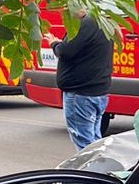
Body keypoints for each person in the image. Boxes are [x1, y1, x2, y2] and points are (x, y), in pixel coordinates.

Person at [48, 8, 114, 151]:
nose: (63, 14)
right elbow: (79, 48)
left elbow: (65, 51)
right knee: (95, 142)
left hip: (81, 93)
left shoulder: (85, 25)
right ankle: (99, 169)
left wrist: (54, 43)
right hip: (98, 92)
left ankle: (89, 171)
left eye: (66, 10)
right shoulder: (101, 22)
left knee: (85, 146)